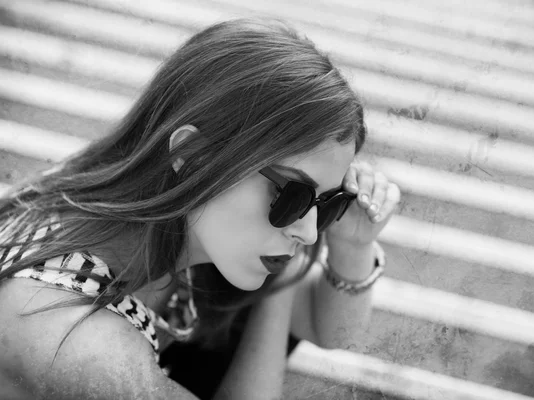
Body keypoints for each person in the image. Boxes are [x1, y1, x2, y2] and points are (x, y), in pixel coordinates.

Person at [0, 18, 401, 400]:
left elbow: (330, 330)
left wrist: (352, 245)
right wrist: (282, 280)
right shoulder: (86, 345)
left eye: (327, 204)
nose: (311, 231)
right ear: (191, 155)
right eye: (292, 195)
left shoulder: (157, 221)